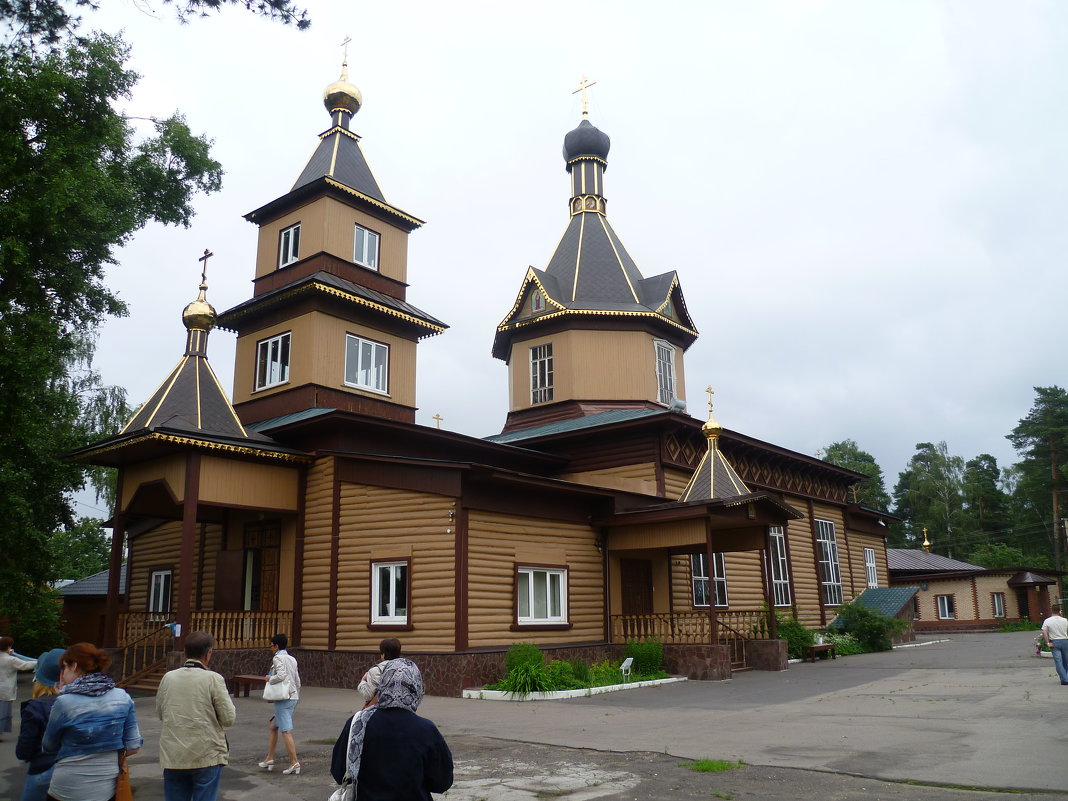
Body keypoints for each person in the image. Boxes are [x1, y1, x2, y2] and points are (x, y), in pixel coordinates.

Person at [330, 658, 453, 800]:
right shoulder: (426, 730)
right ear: (417, 687)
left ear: (383, 685)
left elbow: (339, 772)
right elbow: (442, 782)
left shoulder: (358, 723)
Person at [42, 642, 142, 801]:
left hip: (68, 786)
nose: (63, 673)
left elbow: (48, 746)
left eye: (65, 668)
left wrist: (62, 696)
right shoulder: (122, 697)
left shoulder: (64, 702)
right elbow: (133, 746)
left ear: (73, 666)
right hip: (106, 787)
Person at [156, 631, 237, 801]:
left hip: (174, 754)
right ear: (208, 654)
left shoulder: (168, 678)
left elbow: (161, 713)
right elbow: (229, 718)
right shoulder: (213, 679)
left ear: (185, 653)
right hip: (205, 753)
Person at [16, 648, 66, 801]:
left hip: (43, 769)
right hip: (75, 771)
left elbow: (24, 749)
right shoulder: (81, 702)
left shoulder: (36, 708)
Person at [259, 632, 301, 775]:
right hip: (293, 696)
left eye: (271, 645)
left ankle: (294, 762)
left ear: (276, 646)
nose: (271, 648)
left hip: (284, 698)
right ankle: (269, 758)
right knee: (273, 726)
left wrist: (269, 679)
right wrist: (296, 694)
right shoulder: (292, 658)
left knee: (286, 730)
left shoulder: (277, 658)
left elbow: (281, 676)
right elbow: (297, 680)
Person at [0, 636, 37, 741]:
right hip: (5, 690)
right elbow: (25, 665)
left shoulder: (9, 657)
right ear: (8, 647)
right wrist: (40, 662)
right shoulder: (11, 659)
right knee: (3, 712)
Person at [357, 637, 402, 706]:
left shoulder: (375, 671)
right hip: (402, 709)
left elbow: (368, 695)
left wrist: (362, 681)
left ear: (383, 654)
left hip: (381, 710)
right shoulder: (405, 669)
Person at [1041, 605, 1068, 685]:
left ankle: (1064, 679)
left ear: (1051, 610)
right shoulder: (1065, 620)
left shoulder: (1047, 621)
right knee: (1066, 661)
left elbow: (1044, 632)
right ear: (1060, 611)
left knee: (1058, 661)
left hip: (1054, 642)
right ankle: (1065, 677)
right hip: (1065, 641)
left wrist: (1047, 642)